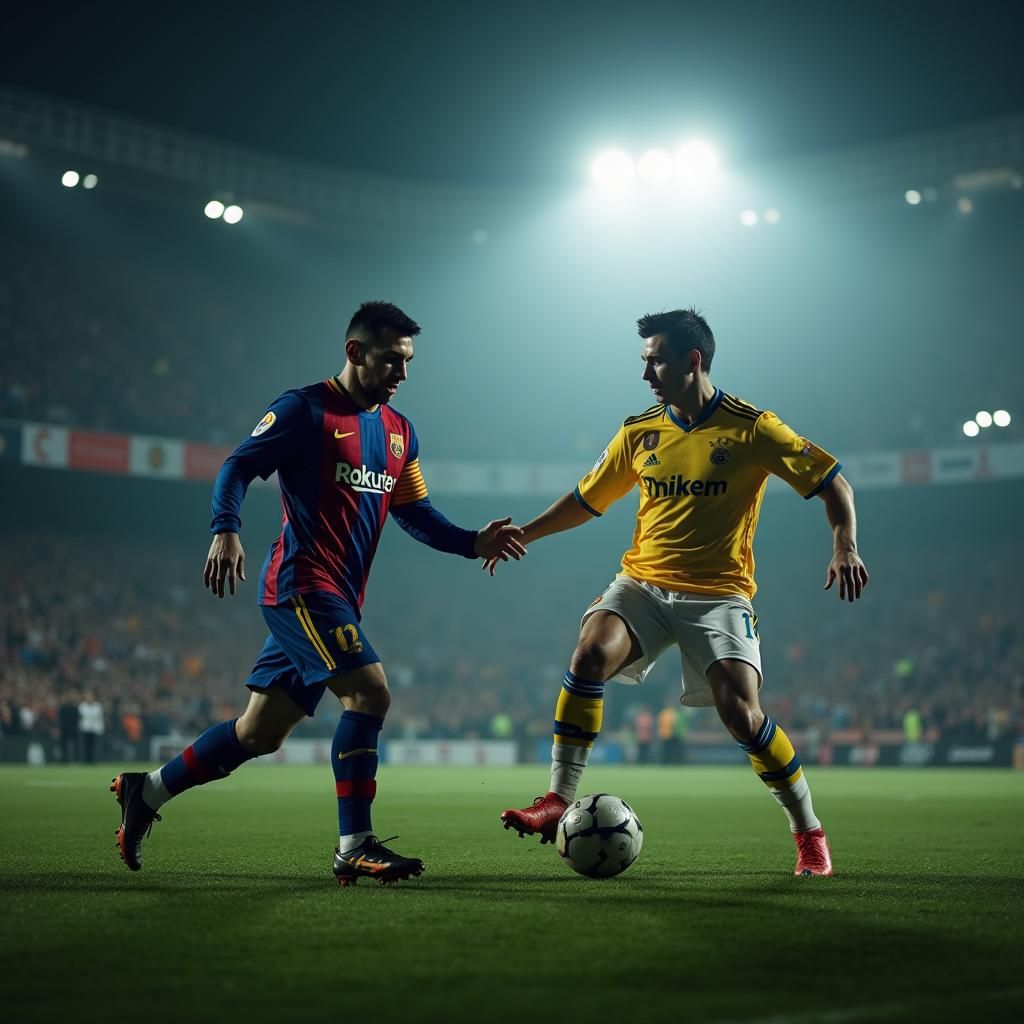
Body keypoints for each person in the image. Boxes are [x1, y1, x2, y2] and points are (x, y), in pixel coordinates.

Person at [110, 301, 525, 885]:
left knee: (258, 733)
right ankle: (354, 844)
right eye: (390, 360)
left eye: (407, 362)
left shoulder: (401, 432)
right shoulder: (304, 409)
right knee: (370, 693)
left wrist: (471, 543)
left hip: (338, 599)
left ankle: (144, 790)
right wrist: (225, 529)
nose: (402, 374)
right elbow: (236, 466)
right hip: (301, 587)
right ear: (355, 352)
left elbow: (414, 513)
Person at [496, 308, 868, 877]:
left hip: (718, 596)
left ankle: (808, 830)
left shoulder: (753, 428)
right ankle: (556, 799)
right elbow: (586, 499)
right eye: (644, 360)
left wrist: (844, 544)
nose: (647, 373)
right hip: (642, 583)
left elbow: (832, 481)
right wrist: (528, 531)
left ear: (693, 360)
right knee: (589, 653)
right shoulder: (639, 431)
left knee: (742, 716)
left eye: (657, 360)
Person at [78, 690, 105, 763]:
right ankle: (86, 760)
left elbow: (100, 718)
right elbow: (80, 718)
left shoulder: (97, 706)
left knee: (94, 746)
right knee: (86, 746)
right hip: (85, 728)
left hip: (95, 729)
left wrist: (101, 728)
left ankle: (93, 760)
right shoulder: (82, 706)